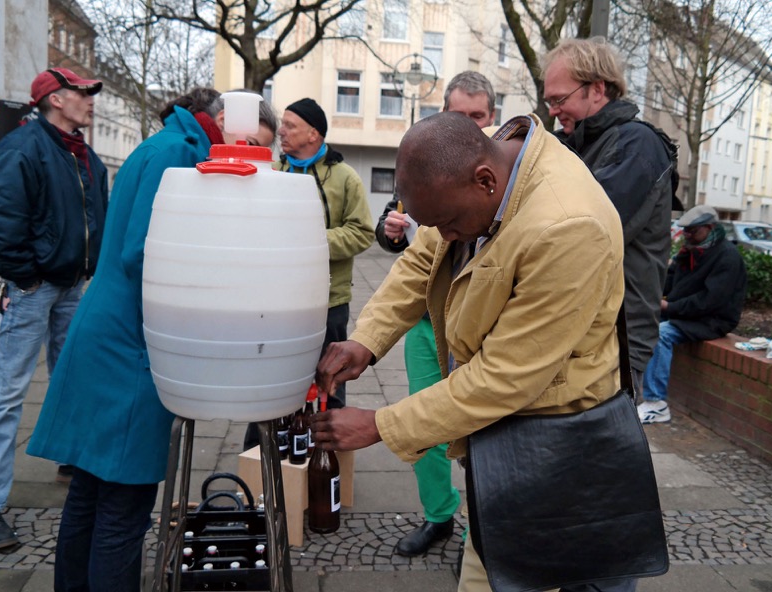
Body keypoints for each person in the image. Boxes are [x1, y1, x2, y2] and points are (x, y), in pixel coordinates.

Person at [311, 111, 633, 592]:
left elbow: (505, 378)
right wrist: (367, 339)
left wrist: (381, 425)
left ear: (484, 181)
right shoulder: (477, 163)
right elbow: (422, 259)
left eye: (446, 223)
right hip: (503, 437)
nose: (441, 235)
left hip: (554, 445)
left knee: (537, 574)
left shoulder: (568, 225)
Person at [25, 89, 278, 591]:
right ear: (225, 119)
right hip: (131, 347)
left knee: (90, 497)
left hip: (108, 332)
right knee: (123, 508)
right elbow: (147, 252)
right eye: (250, 140)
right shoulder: (182, 154)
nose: (249, 151)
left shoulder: (164, 143)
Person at [0, 67, 108, 551]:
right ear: (54, 100)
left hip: (72, 286)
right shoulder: (22, 149)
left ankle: (71, 458)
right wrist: (23, 276)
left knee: (73, 379)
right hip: (33, 289)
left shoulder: (87, 156)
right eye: (82, 93)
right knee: (6, 396)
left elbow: (95, 220)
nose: (90, 100)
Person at [374, 71, 496, 557]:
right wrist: (391, 233)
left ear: (492, 118)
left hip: (477, 337)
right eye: (458, 115)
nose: (469, 126)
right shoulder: (426, 166)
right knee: (422, 428)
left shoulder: (503, 180)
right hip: (427, 329)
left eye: (478, 117)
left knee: (477, 437)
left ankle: (478, 532)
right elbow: (401, 247)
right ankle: (438, 516)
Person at [542, 37, 674, 399]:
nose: (553, 111)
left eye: (559, 99)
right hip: (576, 334)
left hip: (616, 342)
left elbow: (586, 235)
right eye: (548, 101)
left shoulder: (638, 146)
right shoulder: (569, 146)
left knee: (598, 452)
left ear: (598, 89)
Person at [243, 98, 374, 449]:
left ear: (313, 133)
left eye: (289, 125)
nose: (280, 132)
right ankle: (260, 457)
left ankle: (329, 462)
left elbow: (363, 232)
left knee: (331, 382)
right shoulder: (272, 173)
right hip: (276, 304)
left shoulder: (346, 178)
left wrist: (311, 242)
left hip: (329, 302)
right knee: (272, 383)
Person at [638, 204, 747, 424]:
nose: (686, 235)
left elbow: (709, 301)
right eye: (685, 230)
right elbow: (668, 281)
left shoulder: (727, 256)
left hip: (712, 320)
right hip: (688, 314)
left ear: (709, 227)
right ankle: (629, 390)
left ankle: (656, 403)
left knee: (661, 334)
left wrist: (670, 308)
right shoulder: (690, 250)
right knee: (640, 324)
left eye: (692, 231)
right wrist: (650, 295)